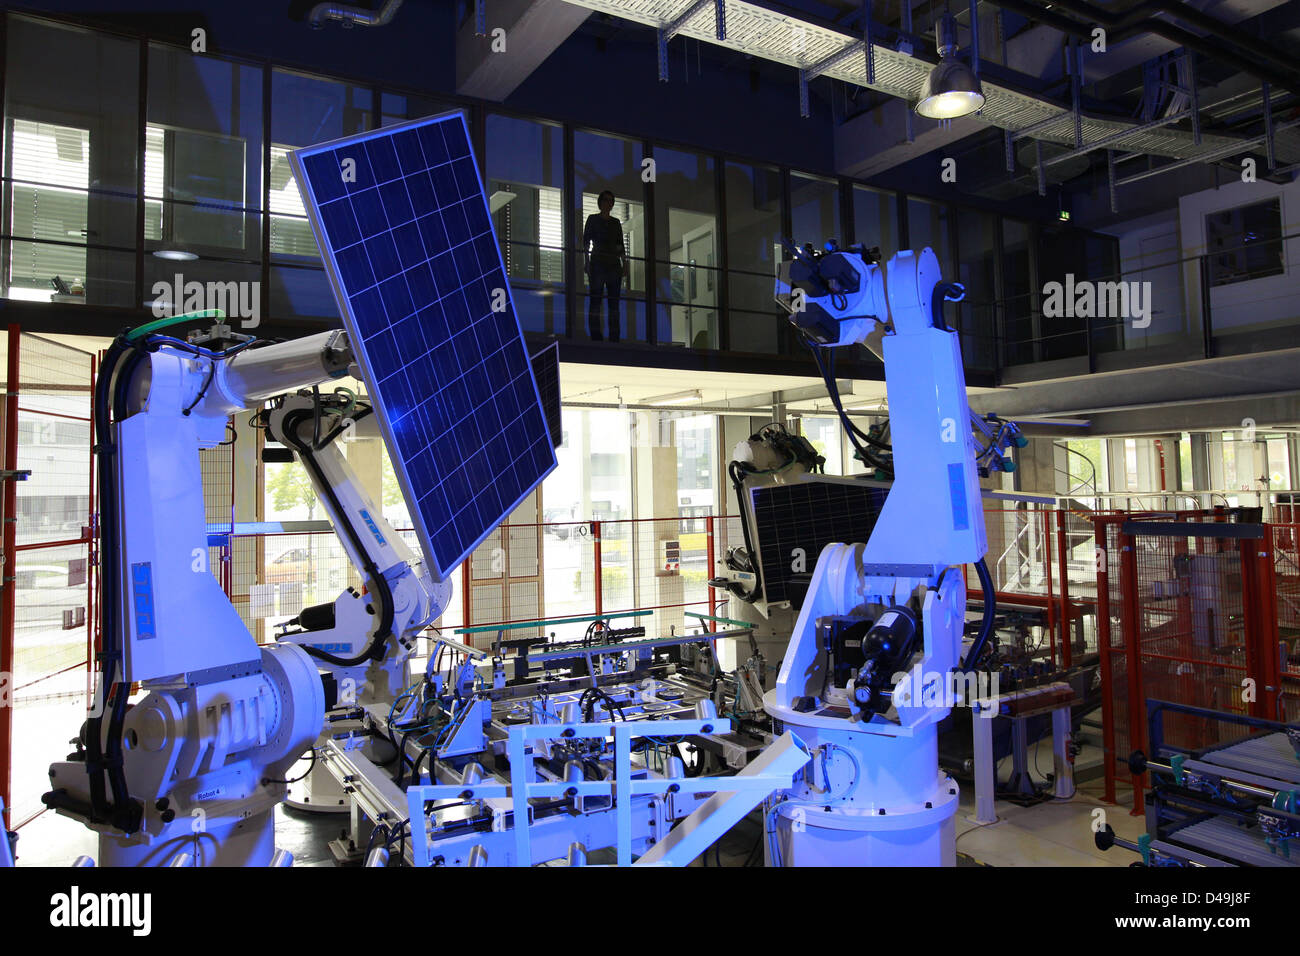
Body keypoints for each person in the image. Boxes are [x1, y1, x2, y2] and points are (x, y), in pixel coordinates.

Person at [582, 190, 627, 342]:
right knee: (596, 301)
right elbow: (586, 242)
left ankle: (614, 337)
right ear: (600, 202)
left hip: (613, 265)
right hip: (598, 264)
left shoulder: (615, 223)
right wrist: (587, 262)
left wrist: (625, 264)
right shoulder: (593, 219)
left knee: (614, 303)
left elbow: (620, 245)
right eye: (605, 200)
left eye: (610, 201)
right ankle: (596, 336)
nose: (608, 203)